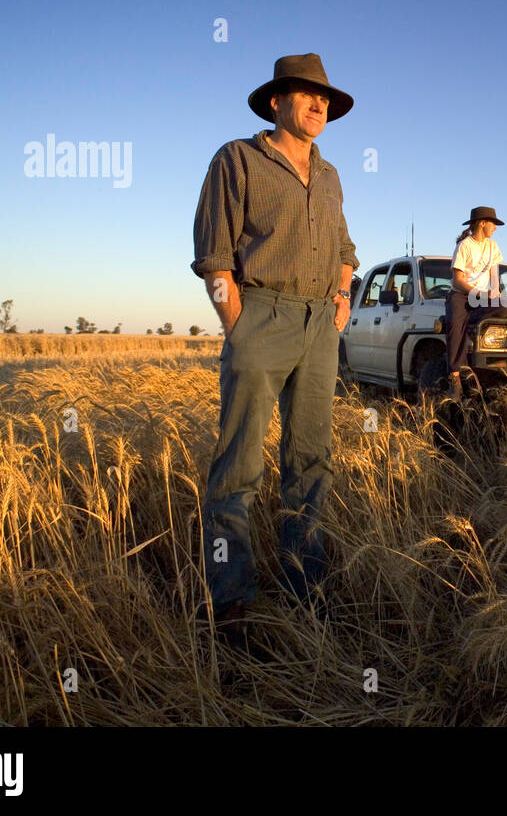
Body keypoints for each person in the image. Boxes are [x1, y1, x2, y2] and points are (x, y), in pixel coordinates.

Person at [190, 53, 358, 644]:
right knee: (238, 468)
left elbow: (345, 248)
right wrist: (237, 323)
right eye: (307, 95)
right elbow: (213, 255)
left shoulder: (332, 175)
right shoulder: (237, 159)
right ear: (275, 102)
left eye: (327, 100)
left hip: (319, 326)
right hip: (260, 313)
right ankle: (230, 603)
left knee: (311, 461)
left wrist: (340, 299)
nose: (320, 106)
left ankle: (303, 587)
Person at [445, 206, 507, 399]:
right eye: (493, 224)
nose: (495, 228)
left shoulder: (493, 246)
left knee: (505, 306)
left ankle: (469, 322)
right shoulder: (464, 245)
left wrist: (495, 292)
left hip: (481, 297)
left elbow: (494, 274)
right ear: (483, 223)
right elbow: (457, 280)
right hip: (461, 294)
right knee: (454, 329)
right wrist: (478, 293)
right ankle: (454, 378)